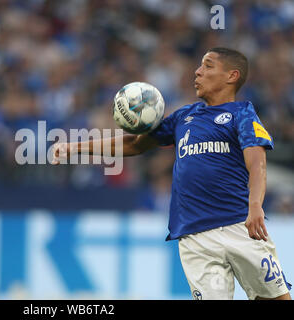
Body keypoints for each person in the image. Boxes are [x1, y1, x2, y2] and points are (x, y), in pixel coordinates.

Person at [51, 47, 291, 300]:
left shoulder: (241, 114)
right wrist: (75, 147)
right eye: (199, 65)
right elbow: (135, 144)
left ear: (231, 76)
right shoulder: (183, 117)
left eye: (208, 66)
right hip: (194, 237)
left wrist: (255, 206)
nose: (197, 71)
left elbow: (257, 164)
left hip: (239, 225)